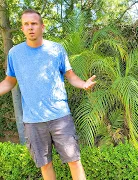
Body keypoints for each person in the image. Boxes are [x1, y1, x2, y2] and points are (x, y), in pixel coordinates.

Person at [0, 9, 96, 179]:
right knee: (45, 165)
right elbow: (9, 81)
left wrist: (83, 84)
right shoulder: (14, 53)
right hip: (33, 121)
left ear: (42, 27)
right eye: (26, 24)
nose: (30, 27)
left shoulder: (56, 49)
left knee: (74, 161)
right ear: (22, 28)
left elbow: (71, 76)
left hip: (60, 117)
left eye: (34, 23)